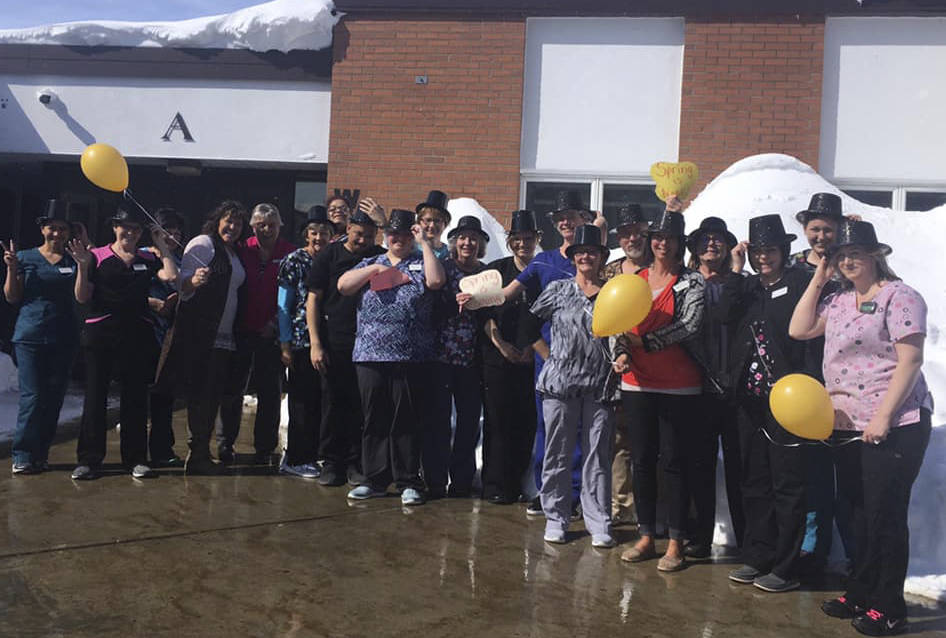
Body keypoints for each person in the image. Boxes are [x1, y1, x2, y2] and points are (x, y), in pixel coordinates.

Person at [790, 220, 932, 636]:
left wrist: (884, 417)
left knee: (884, 515)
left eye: (855, 253)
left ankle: (889, 607)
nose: (847, 261)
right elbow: (798, 329)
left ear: (876, 255)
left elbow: (910, 361)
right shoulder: (838, 301)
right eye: (840, 256)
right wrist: (819, 276)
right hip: (847, 425)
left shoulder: (900, 296)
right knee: (855, 513)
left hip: (895, 423)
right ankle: (861, 591)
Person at [501, 190, 606, 517]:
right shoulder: (543, 261)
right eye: (559, 217)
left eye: (571, 215)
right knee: (548, 429)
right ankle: (546, 493)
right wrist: (474, 296)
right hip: (549, 362)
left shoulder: (597, 261)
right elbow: (508, 294)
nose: (564, 221)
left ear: (583, 219)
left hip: (589, 364)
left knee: (581, 433)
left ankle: (575, 496)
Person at [611, 209, 706, 572]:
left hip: (679, 386)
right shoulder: (635, 277)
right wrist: (621, 352)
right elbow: (617, 323)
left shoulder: (691, 281)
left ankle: (676, 542)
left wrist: (645, 342)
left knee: (674, 463)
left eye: (668, 238)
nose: (661, 243)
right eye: (657, 237)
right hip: (636, 383)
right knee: (642, 461)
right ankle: (647, 534)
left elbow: (690, 325)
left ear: (680, 243)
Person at [721, 214, 811, 592]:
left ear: (783, 250)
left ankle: (786, 566)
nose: (763, 258)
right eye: (757, 251)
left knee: (787, 485)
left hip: (788, 400)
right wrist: (736, 270)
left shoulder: (799, 285)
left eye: (770, 250)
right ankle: (758, 556)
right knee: (754, 481)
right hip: (750, 400)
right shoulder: (749, 288)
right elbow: (724, 315)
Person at [338, 209, 446, 506]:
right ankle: (373, 478)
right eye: (392, 233)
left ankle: (408, 480)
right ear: (386, 236)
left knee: (406, 419)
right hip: (370, 353)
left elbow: (436, 282)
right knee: (374, 417)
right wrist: (373, 272)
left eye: (403, 233)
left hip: (410, 355)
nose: (397, 238)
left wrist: (425, 243)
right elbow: (343, 286)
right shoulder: (372, 261)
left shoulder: (421, 262)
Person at [68, 205, 179, 480]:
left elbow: (172, 277)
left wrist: (162, 246)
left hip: (137, 336)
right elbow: (82, 297)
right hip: (101, 335)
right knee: (96, 398)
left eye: (136, 228)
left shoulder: (146, 257)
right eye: (124, 226)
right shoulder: (96, 256)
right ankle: (89, 461)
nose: (130, 231)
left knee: (135, 399)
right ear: (114, 227)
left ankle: (136, 459)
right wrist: (82, 266)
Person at [525, 224, 615, 548]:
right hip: (559, 385)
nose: (586, 257)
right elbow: (526, 324)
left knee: (597, 456)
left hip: (600, 385)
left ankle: (599, 521)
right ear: (573, 257)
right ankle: (556, 517)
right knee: (557, 453)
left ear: (602, 257)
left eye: (592, 251)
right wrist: (548, 356)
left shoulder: (612, 292)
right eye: (580, 252)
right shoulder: (558, 290)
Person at [154, 200, 248, 475]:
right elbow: (181, 286)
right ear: (217, 221)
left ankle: (201, 452)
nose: (232, 227)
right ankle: (197, 455)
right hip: (202, 334)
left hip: (225, 334)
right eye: (228, 221)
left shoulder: (233, 252)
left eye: (238, 223)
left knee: (213, 394)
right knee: (201, 395)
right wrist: (194, 281)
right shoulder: (204, 244)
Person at [792, 192, 852, 578]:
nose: (820, 235)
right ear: (805, 230)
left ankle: (851, 551)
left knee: (845, 474)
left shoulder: (851, 265)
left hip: (846, 382)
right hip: (803, 382)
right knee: (810, 472)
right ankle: (811, 547)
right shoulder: (795, 267)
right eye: (814, 228)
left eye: (827, 228)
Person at [306, 209, 384, 487]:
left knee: (362, 405)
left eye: (368, 236)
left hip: (370, 344)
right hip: (335, 340)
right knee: (333, 402)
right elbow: (313, 299)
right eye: (358, 234)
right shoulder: (330, 255)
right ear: (348, 229)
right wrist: (316, 343)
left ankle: (355, 461)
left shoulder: (379, 255)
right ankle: (331, 461)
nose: (362, 240)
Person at [683, 216, 744, 557]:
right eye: (705, 239)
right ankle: (699, 537)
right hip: (695, 390)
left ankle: (748, 539)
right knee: (699, 467)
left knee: (739, 469)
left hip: (733, 391)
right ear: (694, 247)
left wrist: (735, 273)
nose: (712, 244)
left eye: (719, 239)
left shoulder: (740, 284)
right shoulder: (686, 283)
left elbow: (728, 316)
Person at [3, 200, 79, 474]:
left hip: (64, 337)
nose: (57, 234)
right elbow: (13, 297)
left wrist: (85, 260)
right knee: (33, 397)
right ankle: (22, 454)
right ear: (42, 229)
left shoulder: (74, 260)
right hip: (30, 336)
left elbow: (82, 296)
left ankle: (41, 453)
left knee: (54, 397)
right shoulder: (24, 257)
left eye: (62, 229)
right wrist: (11, 268)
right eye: (52, 228)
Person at [218, 203, 294, 465]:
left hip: (271, 334)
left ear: (279, 226)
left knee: (270, 393)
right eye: (261, 225)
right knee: (232, 390)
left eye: (272, 225)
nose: (266, 229)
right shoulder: (241, 249)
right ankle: (225, 442)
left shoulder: (289, 253)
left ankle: (264, 447)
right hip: (239, 331)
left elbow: (294, 295)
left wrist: (274, 324)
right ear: (253, 227)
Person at [478, 210, 539, 505]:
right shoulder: (495, 271)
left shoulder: (543, 270)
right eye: (518, 239)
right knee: (498, 422)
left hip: (532, 359)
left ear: (537, 239)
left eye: (529, 239)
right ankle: (494, 485)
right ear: (510, 241)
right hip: (498, 358)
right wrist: (501, 345)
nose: (523, 244)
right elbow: (484, 314)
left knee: (526, 422)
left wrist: (531, 349)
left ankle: (518, 482)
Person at [425, 215, 488, 498]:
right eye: (463, 237)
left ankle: (461, 480)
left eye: (474, 238)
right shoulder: (444, 270)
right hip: (440, 358)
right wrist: (455, 304)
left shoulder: (486, 274)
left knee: (468, 422)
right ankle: (435, 480)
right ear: (454, 242)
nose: (468, 243)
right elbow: (431, 312)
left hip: (471, 361)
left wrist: (480, 305)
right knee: (438, 421)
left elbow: (491, 315)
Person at [276, 205, 334, 478]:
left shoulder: (333, 259)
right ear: (305, 235)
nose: (319, 238)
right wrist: (285, 343)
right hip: (300, 341)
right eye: (314, 232)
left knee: (322, 401)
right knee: (301, 401)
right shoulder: (294, 260)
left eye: (324, 232)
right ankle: (295, 458)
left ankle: (315, 454)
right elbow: (284, 305)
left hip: (327, 340)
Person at [602, 203, 652, 525]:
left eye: (637, 232)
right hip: (617, 366)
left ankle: (652, 507)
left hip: (656, 363)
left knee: (650, 442)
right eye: (625, 233)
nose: (631, 238)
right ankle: (622, 507)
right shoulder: (610, 270)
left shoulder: (661, 266)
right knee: (620, 440)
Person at [146, 208, 186, 468]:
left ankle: (162, 450)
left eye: (176, 232)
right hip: (144, 333)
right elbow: (125, 291)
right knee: (141, 396)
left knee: (164, 397)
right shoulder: (142, 257)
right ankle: (136, 452)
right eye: (166, 231)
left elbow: (177, 282)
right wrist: (153, 303)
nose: (172, 236)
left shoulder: (180, 260)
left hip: (169, 336)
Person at [415, 190, 452, 260]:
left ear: (445, 224)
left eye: (437, 221)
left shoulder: (450, 254)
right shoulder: (410, 249)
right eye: (428, 220)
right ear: (419, 222)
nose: (432, 225)